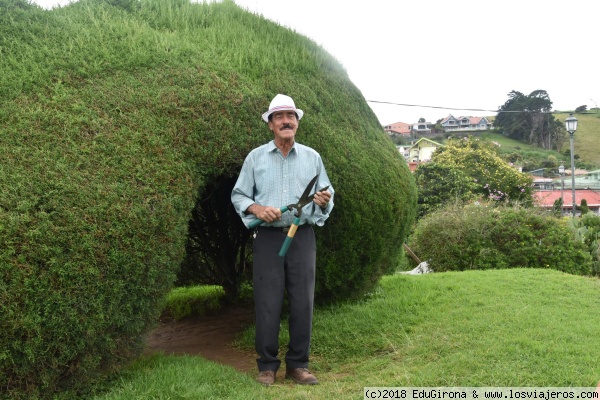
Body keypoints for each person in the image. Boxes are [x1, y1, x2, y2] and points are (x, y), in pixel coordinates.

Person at [231, 94, 334, 386]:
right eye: (279, 116)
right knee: (267, 301)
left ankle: (298, 365)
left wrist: (324, 200)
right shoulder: (255, 158)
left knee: (303, 302)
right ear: (270, 124)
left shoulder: (313, 157)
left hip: (302, 237)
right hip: (266, 238)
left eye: (291, 116)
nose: (286, 121)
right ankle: (267, 366)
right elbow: (238, 195)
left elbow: (327, 193)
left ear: (297, 123)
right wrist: (257, 209)